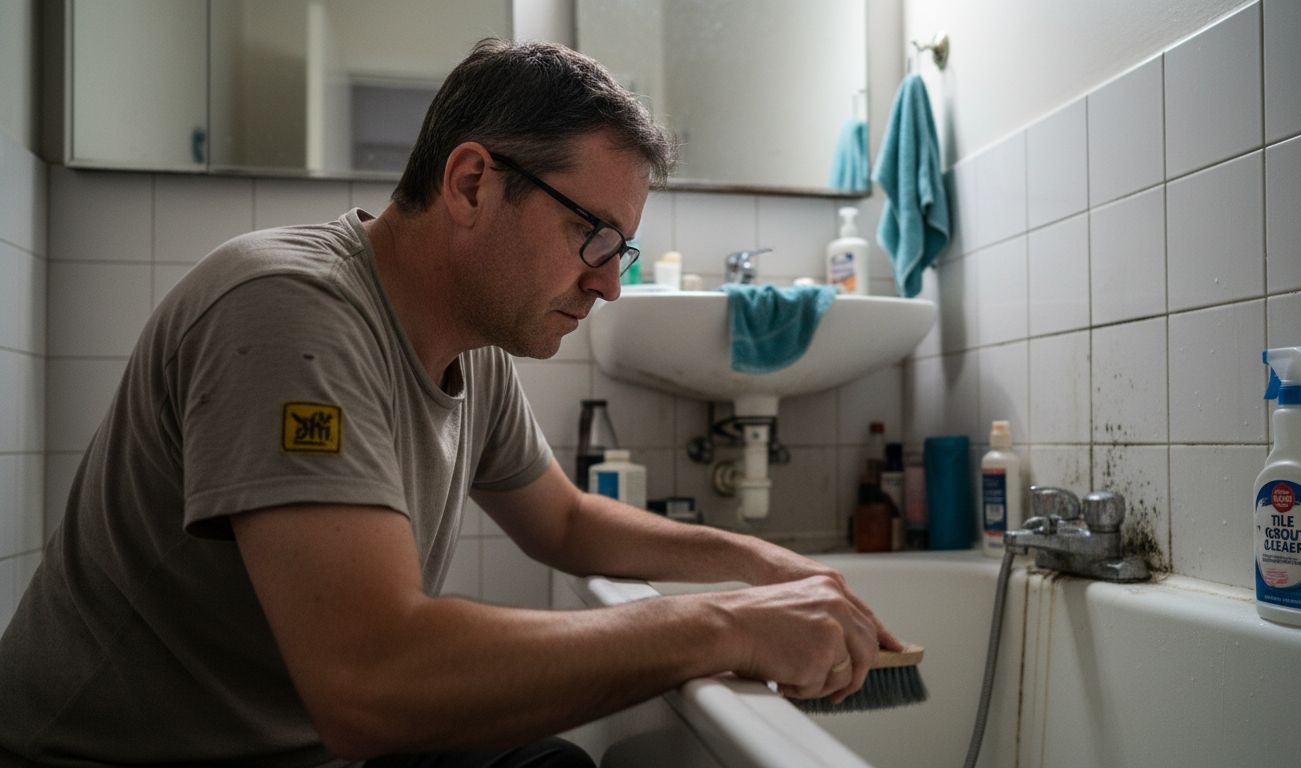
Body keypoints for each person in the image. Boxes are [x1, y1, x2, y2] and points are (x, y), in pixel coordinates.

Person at [0, 38, 901, 767]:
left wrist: (764, 565)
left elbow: (568, 524)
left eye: (620, 250)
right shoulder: (287, 310)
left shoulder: (470, 344)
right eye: (591, 235)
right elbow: (371, 683)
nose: (610, 286)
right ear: (471, 183)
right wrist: (723, 625)